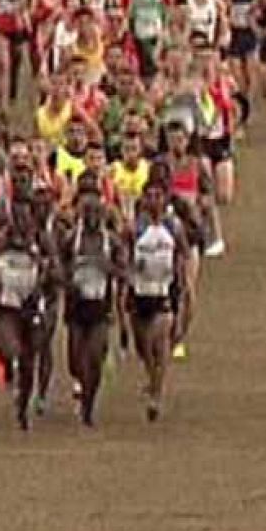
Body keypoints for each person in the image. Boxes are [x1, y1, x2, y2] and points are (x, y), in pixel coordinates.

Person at [0, 182, 58, 431]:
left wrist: (46, 274)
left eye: (25, 212)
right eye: (16, 212)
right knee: (9, 346)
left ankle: (23, 404)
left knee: (30, 359)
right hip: (8, 305)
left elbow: (57, 273)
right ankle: (9, 367)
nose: (21, 218)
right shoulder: (1, 239)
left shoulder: (43, 239)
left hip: (33, 306)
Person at [61, 178, 125, 427]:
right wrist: (69, 277)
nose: (91, 216)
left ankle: (89, 403)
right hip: (76, 306)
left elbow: (124, 270)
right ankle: (80, 383)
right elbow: (58, 266)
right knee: (76, 358)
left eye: (96, 211)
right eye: (87, 211)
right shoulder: (71, 239)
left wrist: (108, 268)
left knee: (95, 355)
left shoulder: (112, 241)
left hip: (100, 306)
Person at [128, 179, 188, 422]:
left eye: (158, 196)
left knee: (158, 340)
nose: (153, 201)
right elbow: (125, 254)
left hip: (164, 292)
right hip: (140, 292)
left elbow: (182, 253)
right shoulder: (135, 228)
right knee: (143, 346)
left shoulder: (173, 226)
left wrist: (182, 283)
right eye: (149, 196)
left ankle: (156, 393)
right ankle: (152, 378)